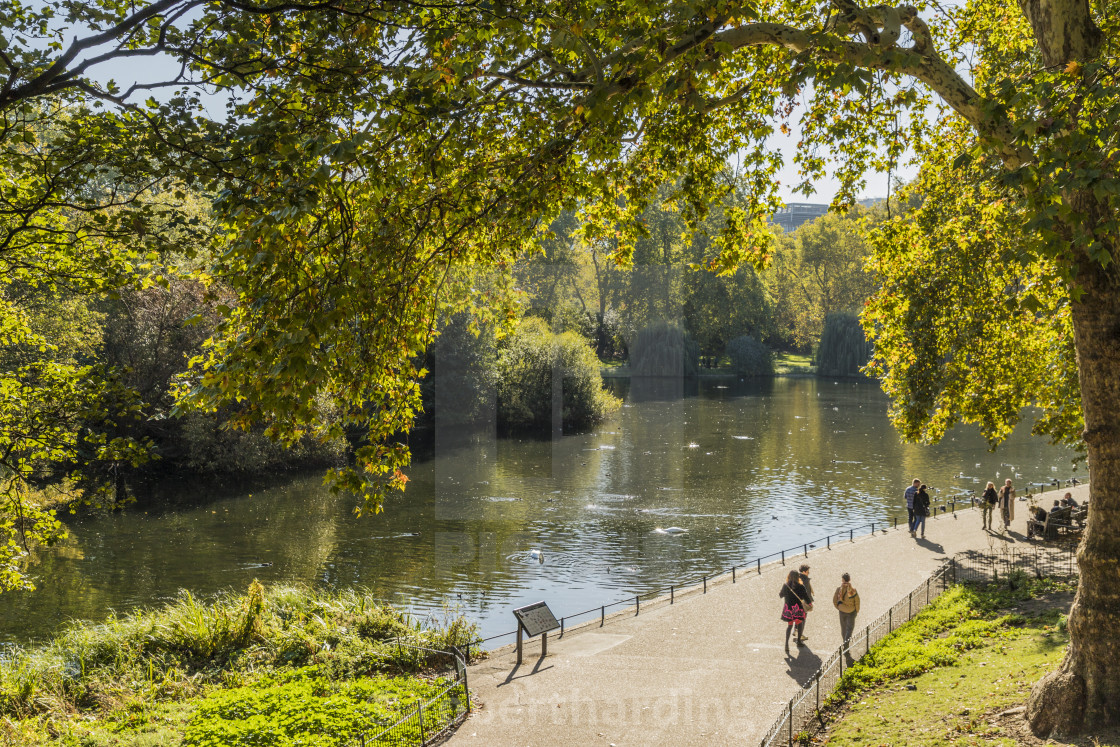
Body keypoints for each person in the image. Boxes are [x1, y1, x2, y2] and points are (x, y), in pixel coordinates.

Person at [780, 569, 810, 651]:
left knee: (789, 626)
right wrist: (809, 604)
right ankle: (799, 641)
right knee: (799, 624)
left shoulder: (785, 585)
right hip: (798, 609)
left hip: (789, 609)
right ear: (798, 577)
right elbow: (806, 597)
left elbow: (780, 595)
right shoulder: (801, 586)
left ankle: (786, 644)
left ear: (789, 576)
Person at [833, 572, 861, 650]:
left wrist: (838, 607)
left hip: (842, 611)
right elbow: (857, 601)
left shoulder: (839, 589)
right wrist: (856, 610)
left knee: (843, 627)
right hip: (851, 611)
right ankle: (846, 643)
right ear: (849, 580)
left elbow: (834, 600)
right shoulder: (853, 590)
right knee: (850, 628)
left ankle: (844, 641)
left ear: (842, 580)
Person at [798, 563, 814, 639]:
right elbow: (806, 593)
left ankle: (796, 631)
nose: (808, 573)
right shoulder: (805, 580)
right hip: (804, 603)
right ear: (804, 572)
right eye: (808, 572)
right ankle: (800, 637)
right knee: (803, 619)